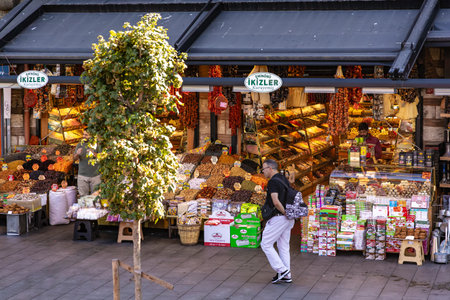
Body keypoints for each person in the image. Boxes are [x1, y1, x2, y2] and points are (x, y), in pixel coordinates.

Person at [260, 159, 295, 284]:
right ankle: (287, 275)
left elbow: (275, 201)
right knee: (283, 246)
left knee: (265, 244)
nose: (262, 172)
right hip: (288, 219)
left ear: (270, 168)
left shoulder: (273, 182)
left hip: (279, 217)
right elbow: (291, 183)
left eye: (263, 169)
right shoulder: (282, 178)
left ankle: (282, 269)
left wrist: (284, 212)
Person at [73, 130, 101, 197]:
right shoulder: (80, 144)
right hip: (82, 176)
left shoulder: (97, 144)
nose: (84, 136)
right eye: (83, 134)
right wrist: (77, 154)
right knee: (83, 197)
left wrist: (94, 153)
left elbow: (102, 157)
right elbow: (74, 159)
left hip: (95, 176)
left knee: (96, 197)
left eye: (86, 135)